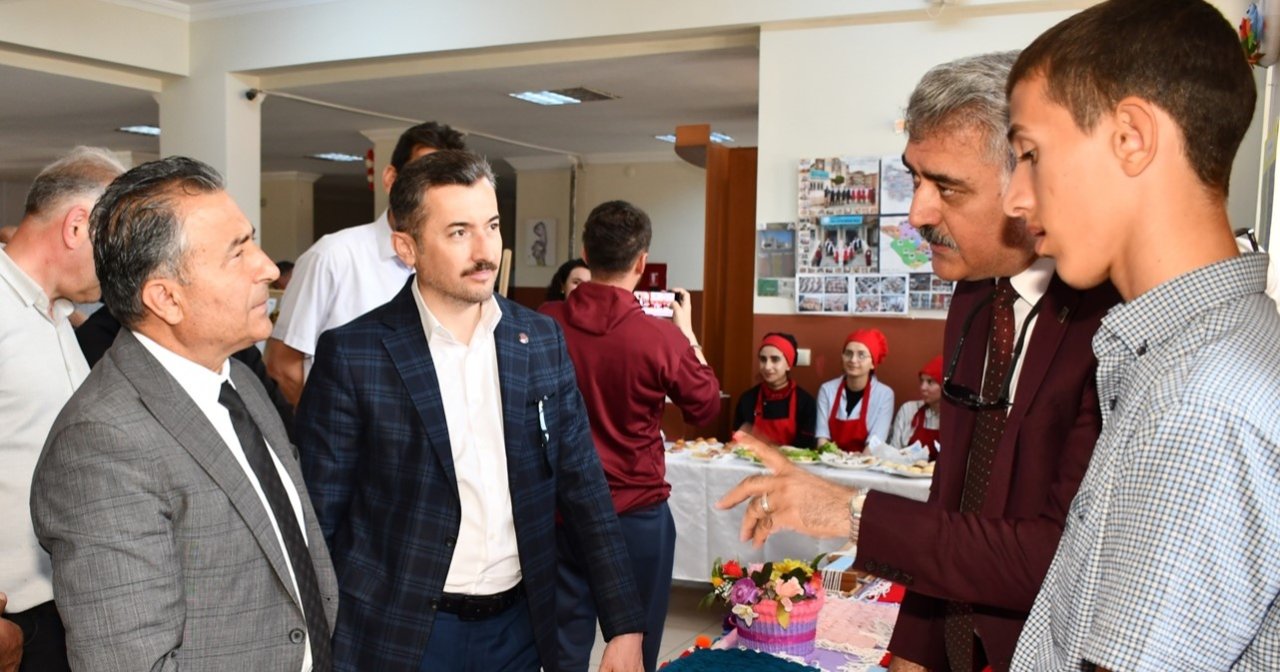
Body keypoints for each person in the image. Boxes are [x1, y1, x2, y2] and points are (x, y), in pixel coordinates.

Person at [717, 51, 1120, 672]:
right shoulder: (974, 294)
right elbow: (953, 489)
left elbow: (1059, 554)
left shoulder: (1110, 319)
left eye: (948, 188)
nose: (917, 214)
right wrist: (915, 646)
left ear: (1030, 180)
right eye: (915, 180)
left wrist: (849, 512)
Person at [1002, 2, 1280, 669]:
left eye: (1030, 154)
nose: (1015, 198)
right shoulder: (1195, 350)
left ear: (1131, 137)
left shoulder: (1197, 401)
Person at [296, 151, 645, 672]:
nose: (485, 251)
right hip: (400, 634)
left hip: (518, 629)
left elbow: (583, 487)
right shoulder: (355, 354)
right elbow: (319, 518)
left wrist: (624, 624)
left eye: (492, 226)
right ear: (407, 247)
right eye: (459, 232)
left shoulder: (540, 339)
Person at [30, 157, 338, 671]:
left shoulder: (238, 378)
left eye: (253, 242)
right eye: (237, 253)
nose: (267, 268)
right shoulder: (102, 443)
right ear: (166, 299)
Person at [541, 200, 720, 672]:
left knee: (563, 648)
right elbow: (705, 406)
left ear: (585, 252)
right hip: (634, 511)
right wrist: (687, 333)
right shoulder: (659, 338)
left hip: (562, 510)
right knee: (636, 648)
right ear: (642, 262)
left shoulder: (544, 322)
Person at [0, 146, 124, 672]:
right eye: (115, 245)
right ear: (76, 227)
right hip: (13, 617)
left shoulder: (57, 318)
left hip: (65, 606)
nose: (121, 266)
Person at [266, 121, 466, 405]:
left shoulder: (457, 266)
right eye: (421, 179)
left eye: (444, 184)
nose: (431, 195)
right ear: (391, 179)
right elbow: (283, 365)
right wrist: (329, 428)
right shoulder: (333, 257)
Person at [74, 300, 297, 442]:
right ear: (164, 294)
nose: (268, 269)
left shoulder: (235, 348)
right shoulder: (98, 342)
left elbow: (283, 430)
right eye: (235, 256)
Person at [814, 328, 894, 452]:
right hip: (829, 460)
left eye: (861, 355)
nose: (853, 360)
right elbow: (822, 438)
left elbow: (875, 443)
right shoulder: (827, 390)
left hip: (866, 461)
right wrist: (834, 458)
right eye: (848, 353)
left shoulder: (884, 394)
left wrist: (860, 460)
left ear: (873, 363)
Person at [733, 332, 817, 448]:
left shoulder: (805, 403)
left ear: (789, 364)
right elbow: (738, 442)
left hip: (790, 459)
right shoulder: (747, 399)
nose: (767, 367)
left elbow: (806, 446)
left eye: (775, 359)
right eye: (763, 359)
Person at [887, 354, 943, 458]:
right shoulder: (908, 410)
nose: (923, 387)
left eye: (930, 382)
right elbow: (893, 451)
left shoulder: (955, 420)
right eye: (922, 381)